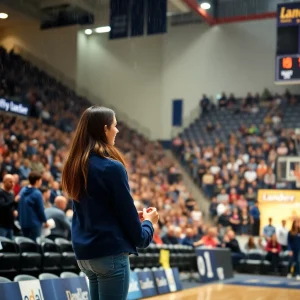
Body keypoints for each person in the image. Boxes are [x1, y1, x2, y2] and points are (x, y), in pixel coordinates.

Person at [61, 106, 158, 300]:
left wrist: (130, 215)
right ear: (105, 129)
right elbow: (140, 238)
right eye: (115, 125)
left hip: (86, 256)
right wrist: (148, 222)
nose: (117, 130)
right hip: (110, 255)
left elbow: (93, 210)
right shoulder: (112, 167)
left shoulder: (76, 166)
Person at [18, 172, 49, 240]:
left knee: (25, 244)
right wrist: (45, 221)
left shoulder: (22, 190)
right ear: (37, 181)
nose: (41, 182)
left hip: (23, 223)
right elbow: (40, 210)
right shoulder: (37, 193)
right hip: (34, 224)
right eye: (40, 180)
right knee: (34, 246)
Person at [0, 174, 16, 239]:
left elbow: (11, 206)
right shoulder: (1, 193)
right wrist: (14, 202)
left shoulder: (11, 194)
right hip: (1, 225)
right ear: (4, 182)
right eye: (10, 182)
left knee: (10, 247)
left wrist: (15, 210)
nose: (12, 184)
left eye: (13, 182)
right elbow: (2, 206)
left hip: (10, 226)